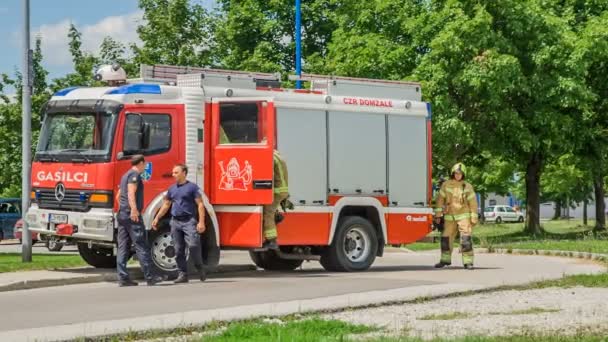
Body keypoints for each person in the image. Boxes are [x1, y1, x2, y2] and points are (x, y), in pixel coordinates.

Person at [152, 164, 207, 283]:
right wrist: (157, 218)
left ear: (184, 173)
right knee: (178, 250)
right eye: (173, 173)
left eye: (176, 172)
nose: (173, 175)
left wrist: (201, 222)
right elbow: (166, 205)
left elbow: (200, 204)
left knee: (193, 245)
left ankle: (200, 267)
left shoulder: (192, 187)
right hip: (175, 222)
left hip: (189, 221)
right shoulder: (172, 189)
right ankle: (183, 275)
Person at [115, 155, 162, 286]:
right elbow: (131, 193)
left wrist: (123, 208)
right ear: (141, 163)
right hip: (132, 216)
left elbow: (119, 196)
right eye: (145, 163)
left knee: (123, 247)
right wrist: (134, 210)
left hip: (123, 214)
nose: (146, 165)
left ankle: (123, 278)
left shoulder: (125, 175)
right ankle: (150, 276)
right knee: (141, 245)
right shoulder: (134, 175)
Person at [434, 162, 478, 270]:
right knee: (445, 239)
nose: (458, 175)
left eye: (460, 173)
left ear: (463, 174)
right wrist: (438, 215)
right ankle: (445, 260)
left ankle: (468, 262)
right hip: (450, 216)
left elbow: (473, 203)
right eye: (456, 173)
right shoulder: (446, 184)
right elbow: (440, 200)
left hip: (464, 216)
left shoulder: (467, 186)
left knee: (466, 239)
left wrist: (474, 217)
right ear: (453, 173)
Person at [261, 150, 290, 249]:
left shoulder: (271, 158)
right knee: (272, 209)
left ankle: (272, 240)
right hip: (282, 190)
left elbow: (269, 175)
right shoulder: (278, 156)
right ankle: (276, 216)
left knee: (268, 212)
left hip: (277, 190)